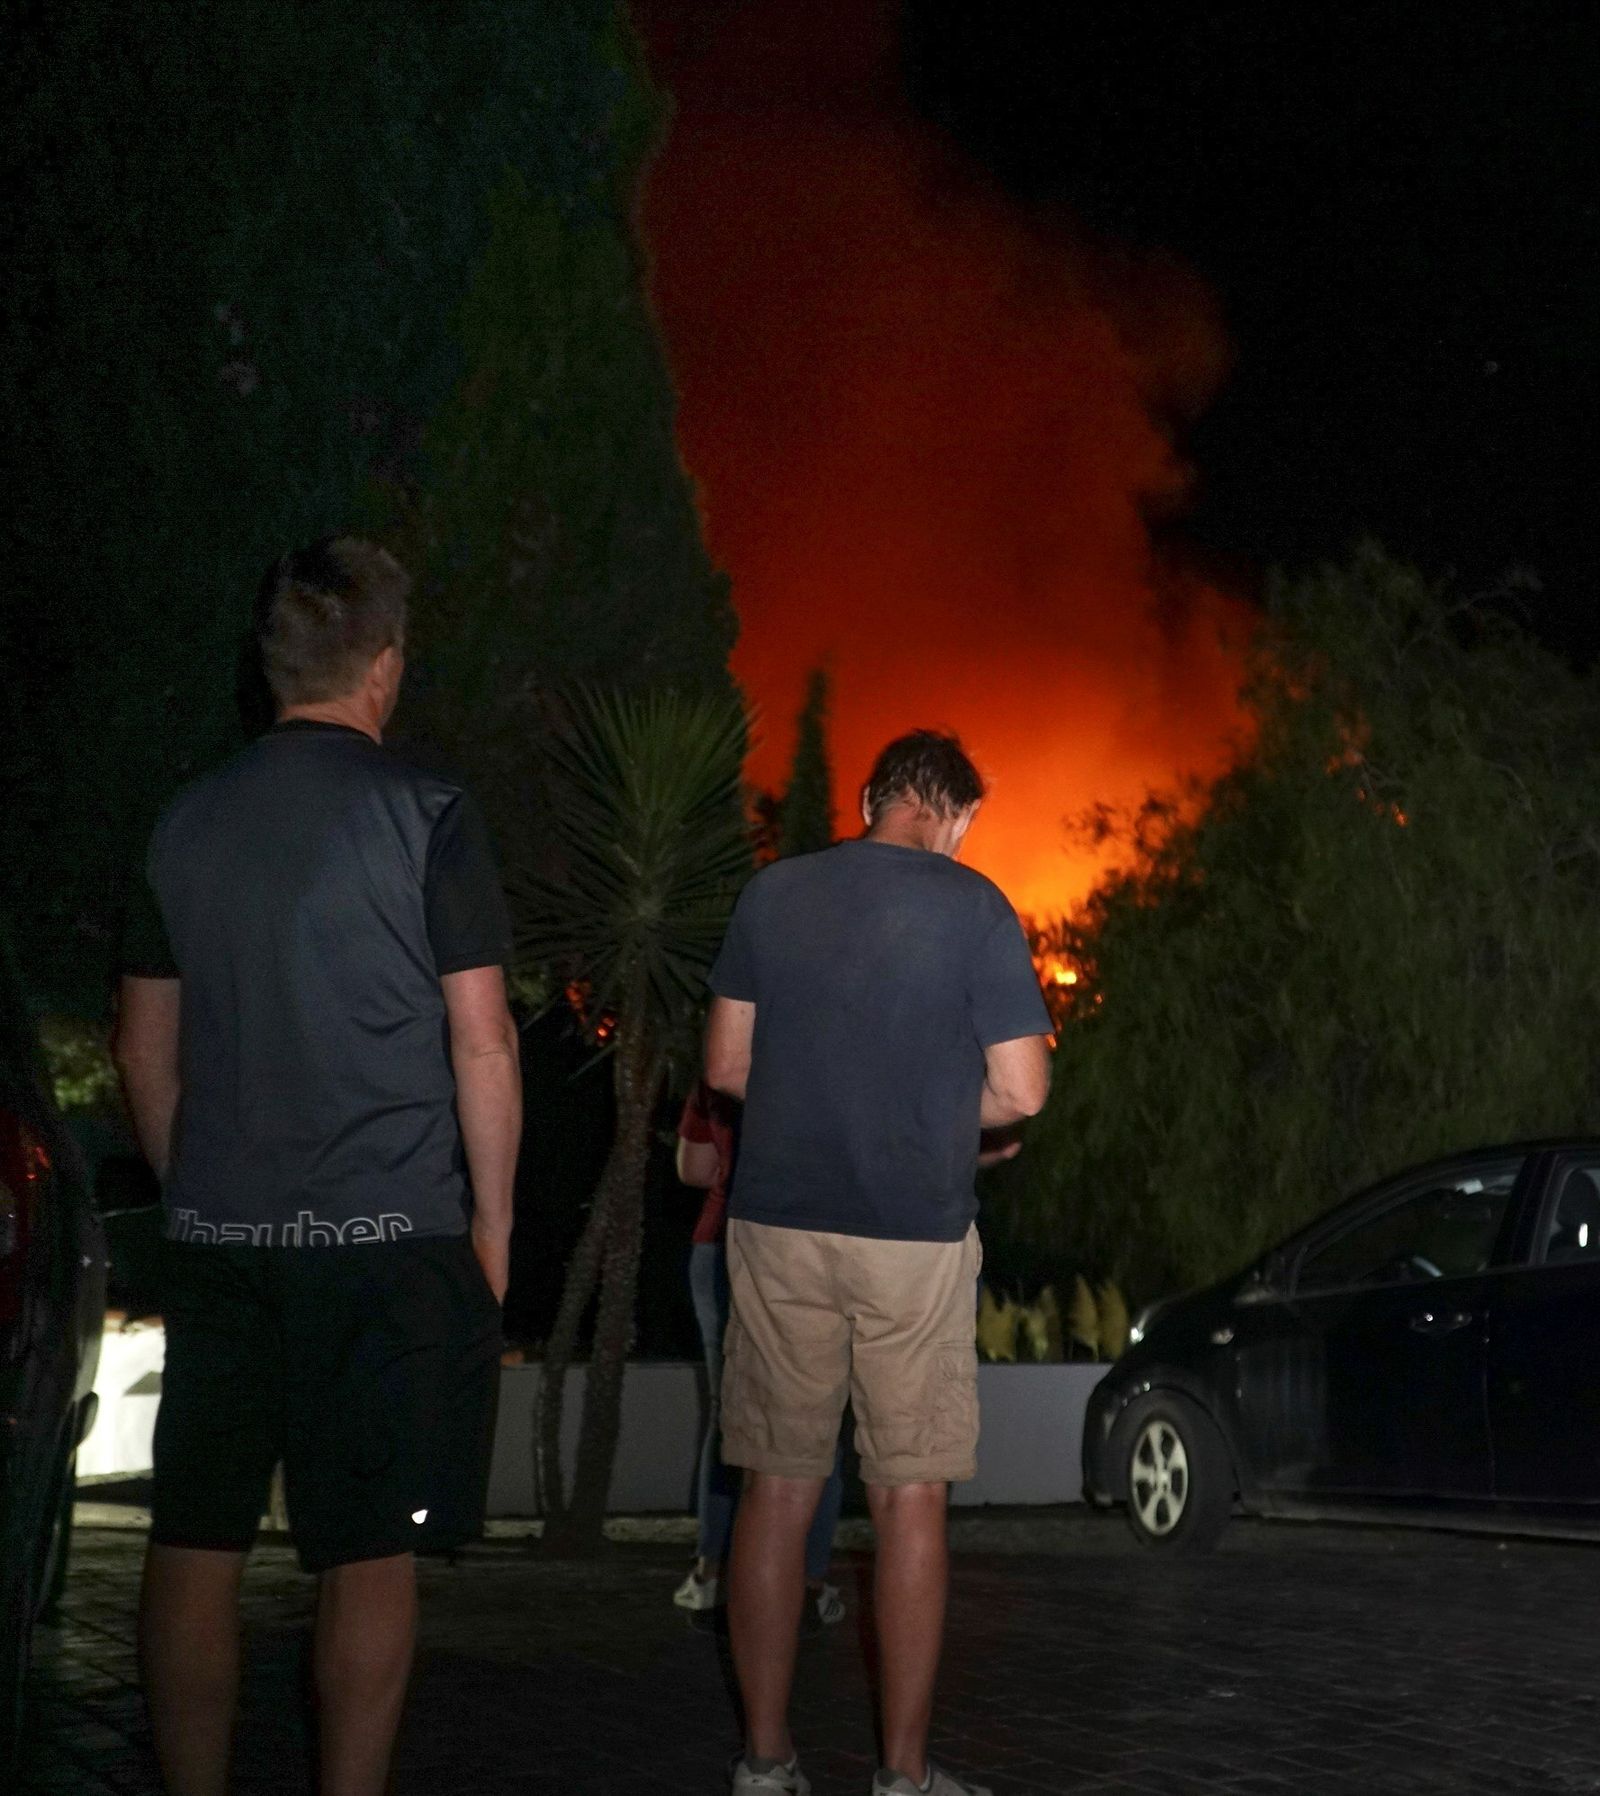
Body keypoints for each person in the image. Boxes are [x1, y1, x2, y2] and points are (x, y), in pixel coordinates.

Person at [113, 538, 521, 1796]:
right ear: (383, 666)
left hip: (221, 1238)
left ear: (273, 664)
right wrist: (492, 1230)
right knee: (368, 1550)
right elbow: (483, 1038)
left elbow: (141, 1046)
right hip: (385, 1244)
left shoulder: (182, 821)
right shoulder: (429, 813)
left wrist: (197, 1184)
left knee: (195, 1537)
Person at [705, 730, 1052, 1796]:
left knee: (775, 1489)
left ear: (869, 798)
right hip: (914, 1234)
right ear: (957, 813)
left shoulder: (772, 894)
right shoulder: (975, 905)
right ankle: (902, 1775)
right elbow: (1023, 1090)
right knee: (908, 1499)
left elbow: (726, 1066)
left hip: (779, 1225)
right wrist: (935, 1114)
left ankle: (766, 1759)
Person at [673, 1080, 845, 1626]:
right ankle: (807, 1580)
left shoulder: (717, 1075)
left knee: (730, 1415)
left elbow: (693, 1169)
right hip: (806, 1245)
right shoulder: (819, 1060)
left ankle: (712, 1571)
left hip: (720, 1242)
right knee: (818, 1417)